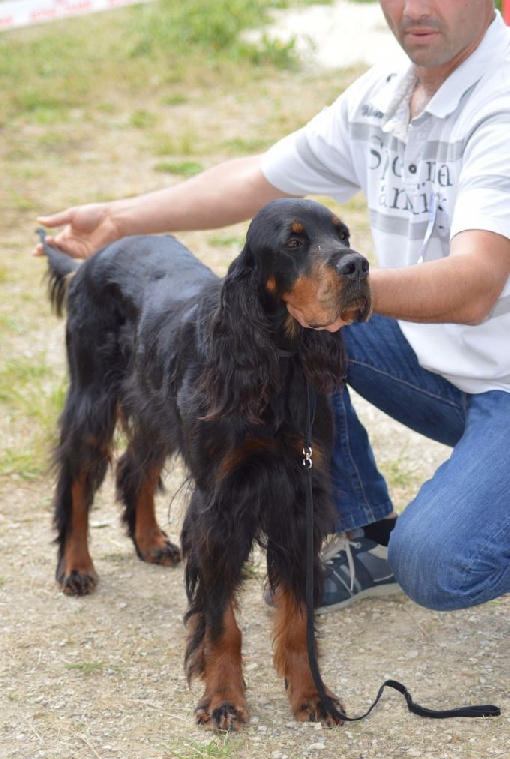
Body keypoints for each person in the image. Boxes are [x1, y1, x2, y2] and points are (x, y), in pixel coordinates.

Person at [35, 0, 510, 613]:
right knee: (282, 331)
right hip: (440, 365)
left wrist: (333, 293)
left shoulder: (501, 105)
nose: (413, 8)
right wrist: (119, 219)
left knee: (437, 565)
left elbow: (476, 285)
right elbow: (255, 180)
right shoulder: (385, 95)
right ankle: (360, 527)